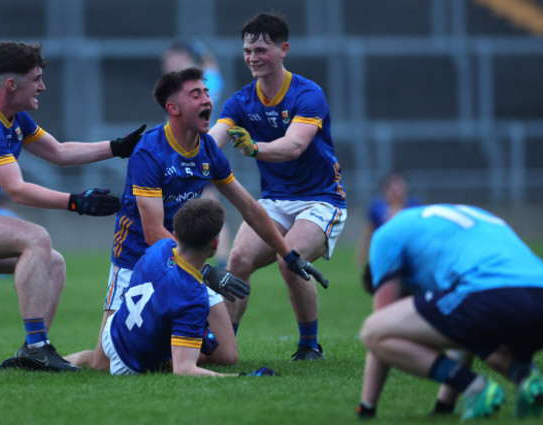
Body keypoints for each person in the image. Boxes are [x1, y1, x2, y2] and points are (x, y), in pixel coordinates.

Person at [66, 67, 327, 371]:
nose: (206, 99)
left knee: (227, 356)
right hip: (137, 261)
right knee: (101, 364)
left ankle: (170, 356)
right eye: (196, 94)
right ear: (173, 109)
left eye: (206, 92)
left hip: (187, 260)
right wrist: (207, 272)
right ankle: (55, 363)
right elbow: (153, 234)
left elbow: (250, 208)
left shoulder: (207, 150)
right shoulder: (149, 152)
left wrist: (288, 253)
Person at [0, 41, 143, 372]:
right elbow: (18, 191)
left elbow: (60, 153)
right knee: (36, 237)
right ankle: (38, 346)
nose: (42, 86)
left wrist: (117, 147)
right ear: (12, 84)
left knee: (54, 263)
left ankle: (32, 352)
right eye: (36, 79)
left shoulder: (14, 117)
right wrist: (76, 202)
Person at [208, 12, 347, 360]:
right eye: (247, 50)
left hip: (321, 200)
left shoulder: (308, 93)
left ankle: (309, 346)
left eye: (260, 49)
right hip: (275, 201)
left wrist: (255, 149)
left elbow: (294, 146)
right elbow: (212, 145)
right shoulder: (240, 101)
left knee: (291, 261)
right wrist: (175, 158)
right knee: (237, 259)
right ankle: (226, 346)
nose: (252, 57)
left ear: (283, 49)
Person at [357, 204, 543, 420]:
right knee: (478, 336)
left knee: (373, 330)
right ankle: (526, 378)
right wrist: (444, 406)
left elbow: (380, 325)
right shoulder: (448, 226)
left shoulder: (384, 237)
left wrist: (367, 408)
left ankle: (476, 387)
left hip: (495, 295)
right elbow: (461, 337)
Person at [103, 197, 276, 377]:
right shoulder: (193, 299)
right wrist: (243, 377)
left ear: (175, 234)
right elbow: (183, 369)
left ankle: (199, 333)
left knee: (227, 356)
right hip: (131, 365)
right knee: (191, 338)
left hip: (114, 330)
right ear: (215, 245)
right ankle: (196, 335)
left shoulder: (161, 246)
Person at [161, 40, 230, 267]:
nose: (170, 65)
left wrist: (202, 50)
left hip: (196, 153)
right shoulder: (175, 87)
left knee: (207, 207)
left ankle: (216, 264)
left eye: (175, 60)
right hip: (180, 154)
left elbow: (213, 69)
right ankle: (207, 261)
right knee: (203, 206)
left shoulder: (202, 83)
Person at [355, 173, 420, 268]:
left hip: (409, 253)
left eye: (401, 189)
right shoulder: (377, 208)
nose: (399, 193)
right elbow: (367, 234)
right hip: (385, 254)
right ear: (386, 191)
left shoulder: (414, 207)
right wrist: (362, 256)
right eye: (394, 190)